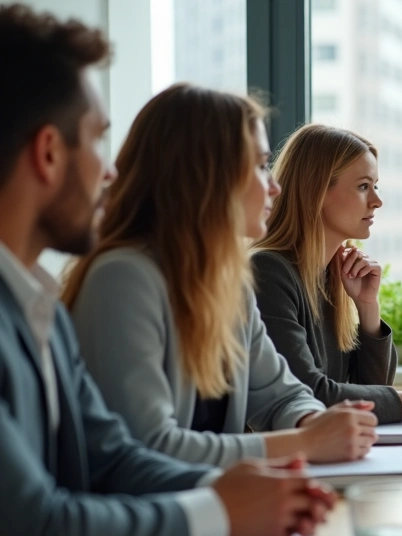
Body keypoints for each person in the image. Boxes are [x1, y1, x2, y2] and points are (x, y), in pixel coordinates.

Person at [0, 4, 334, 536]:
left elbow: (115, 458)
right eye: (98, 141)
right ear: (49, 153)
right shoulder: (115, 279)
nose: (111, 172)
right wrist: (221, 511)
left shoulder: (33, 305)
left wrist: (252, 492)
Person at [62, 84, 378, 468]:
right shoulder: (122, 280)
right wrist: (306, 441)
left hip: (214, 507)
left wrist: (315, 422)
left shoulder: (229, 283)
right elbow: (149, 446)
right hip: (154, 517)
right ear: (208, 175)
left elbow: (280, 395)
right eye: (261, 166)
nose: (275, 187)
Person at [251, 123, 402, 425]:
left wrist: (367, 309)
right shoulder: (269, 273)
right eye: (363, 186)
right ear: (316, 190)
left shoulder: (329, 278)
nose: (377, 201)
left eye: (375, 186)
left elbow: (370, 389)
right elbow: (304, 395)